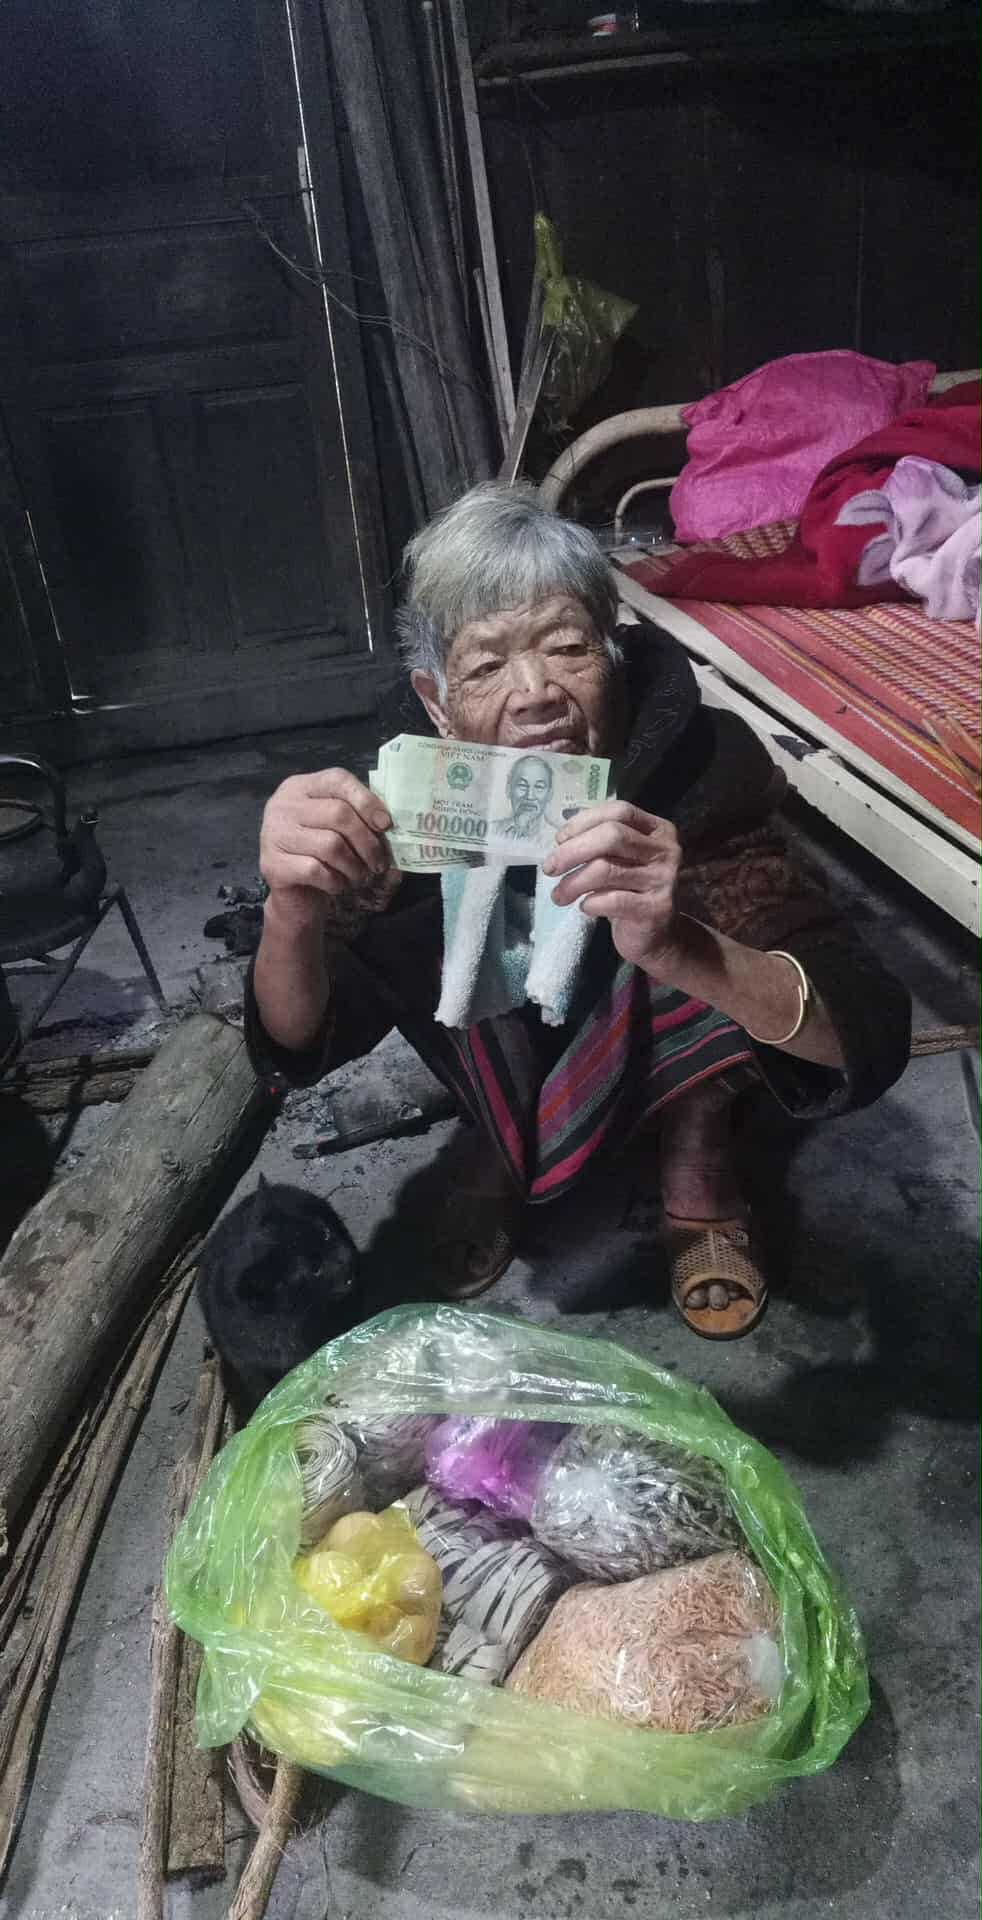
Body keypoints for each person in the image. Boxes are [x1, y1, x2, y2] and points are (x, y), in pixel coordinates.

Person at [246, 482, 910, 1338]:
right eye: (486, 666)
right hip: (502, 1045)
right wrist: (292, 909)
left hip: (657, 1030)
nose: (535, 693)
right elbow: (300, 1042)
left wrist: (681, 946)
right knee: (431, 939)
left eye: (567, 648)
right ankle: (500, 1137)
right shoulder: (398, 803)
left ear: (614, 655)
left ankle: (696, 1153)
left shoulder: (702, 766)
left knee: (701, 935)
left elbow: (865, 1025)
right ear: (438, 701)